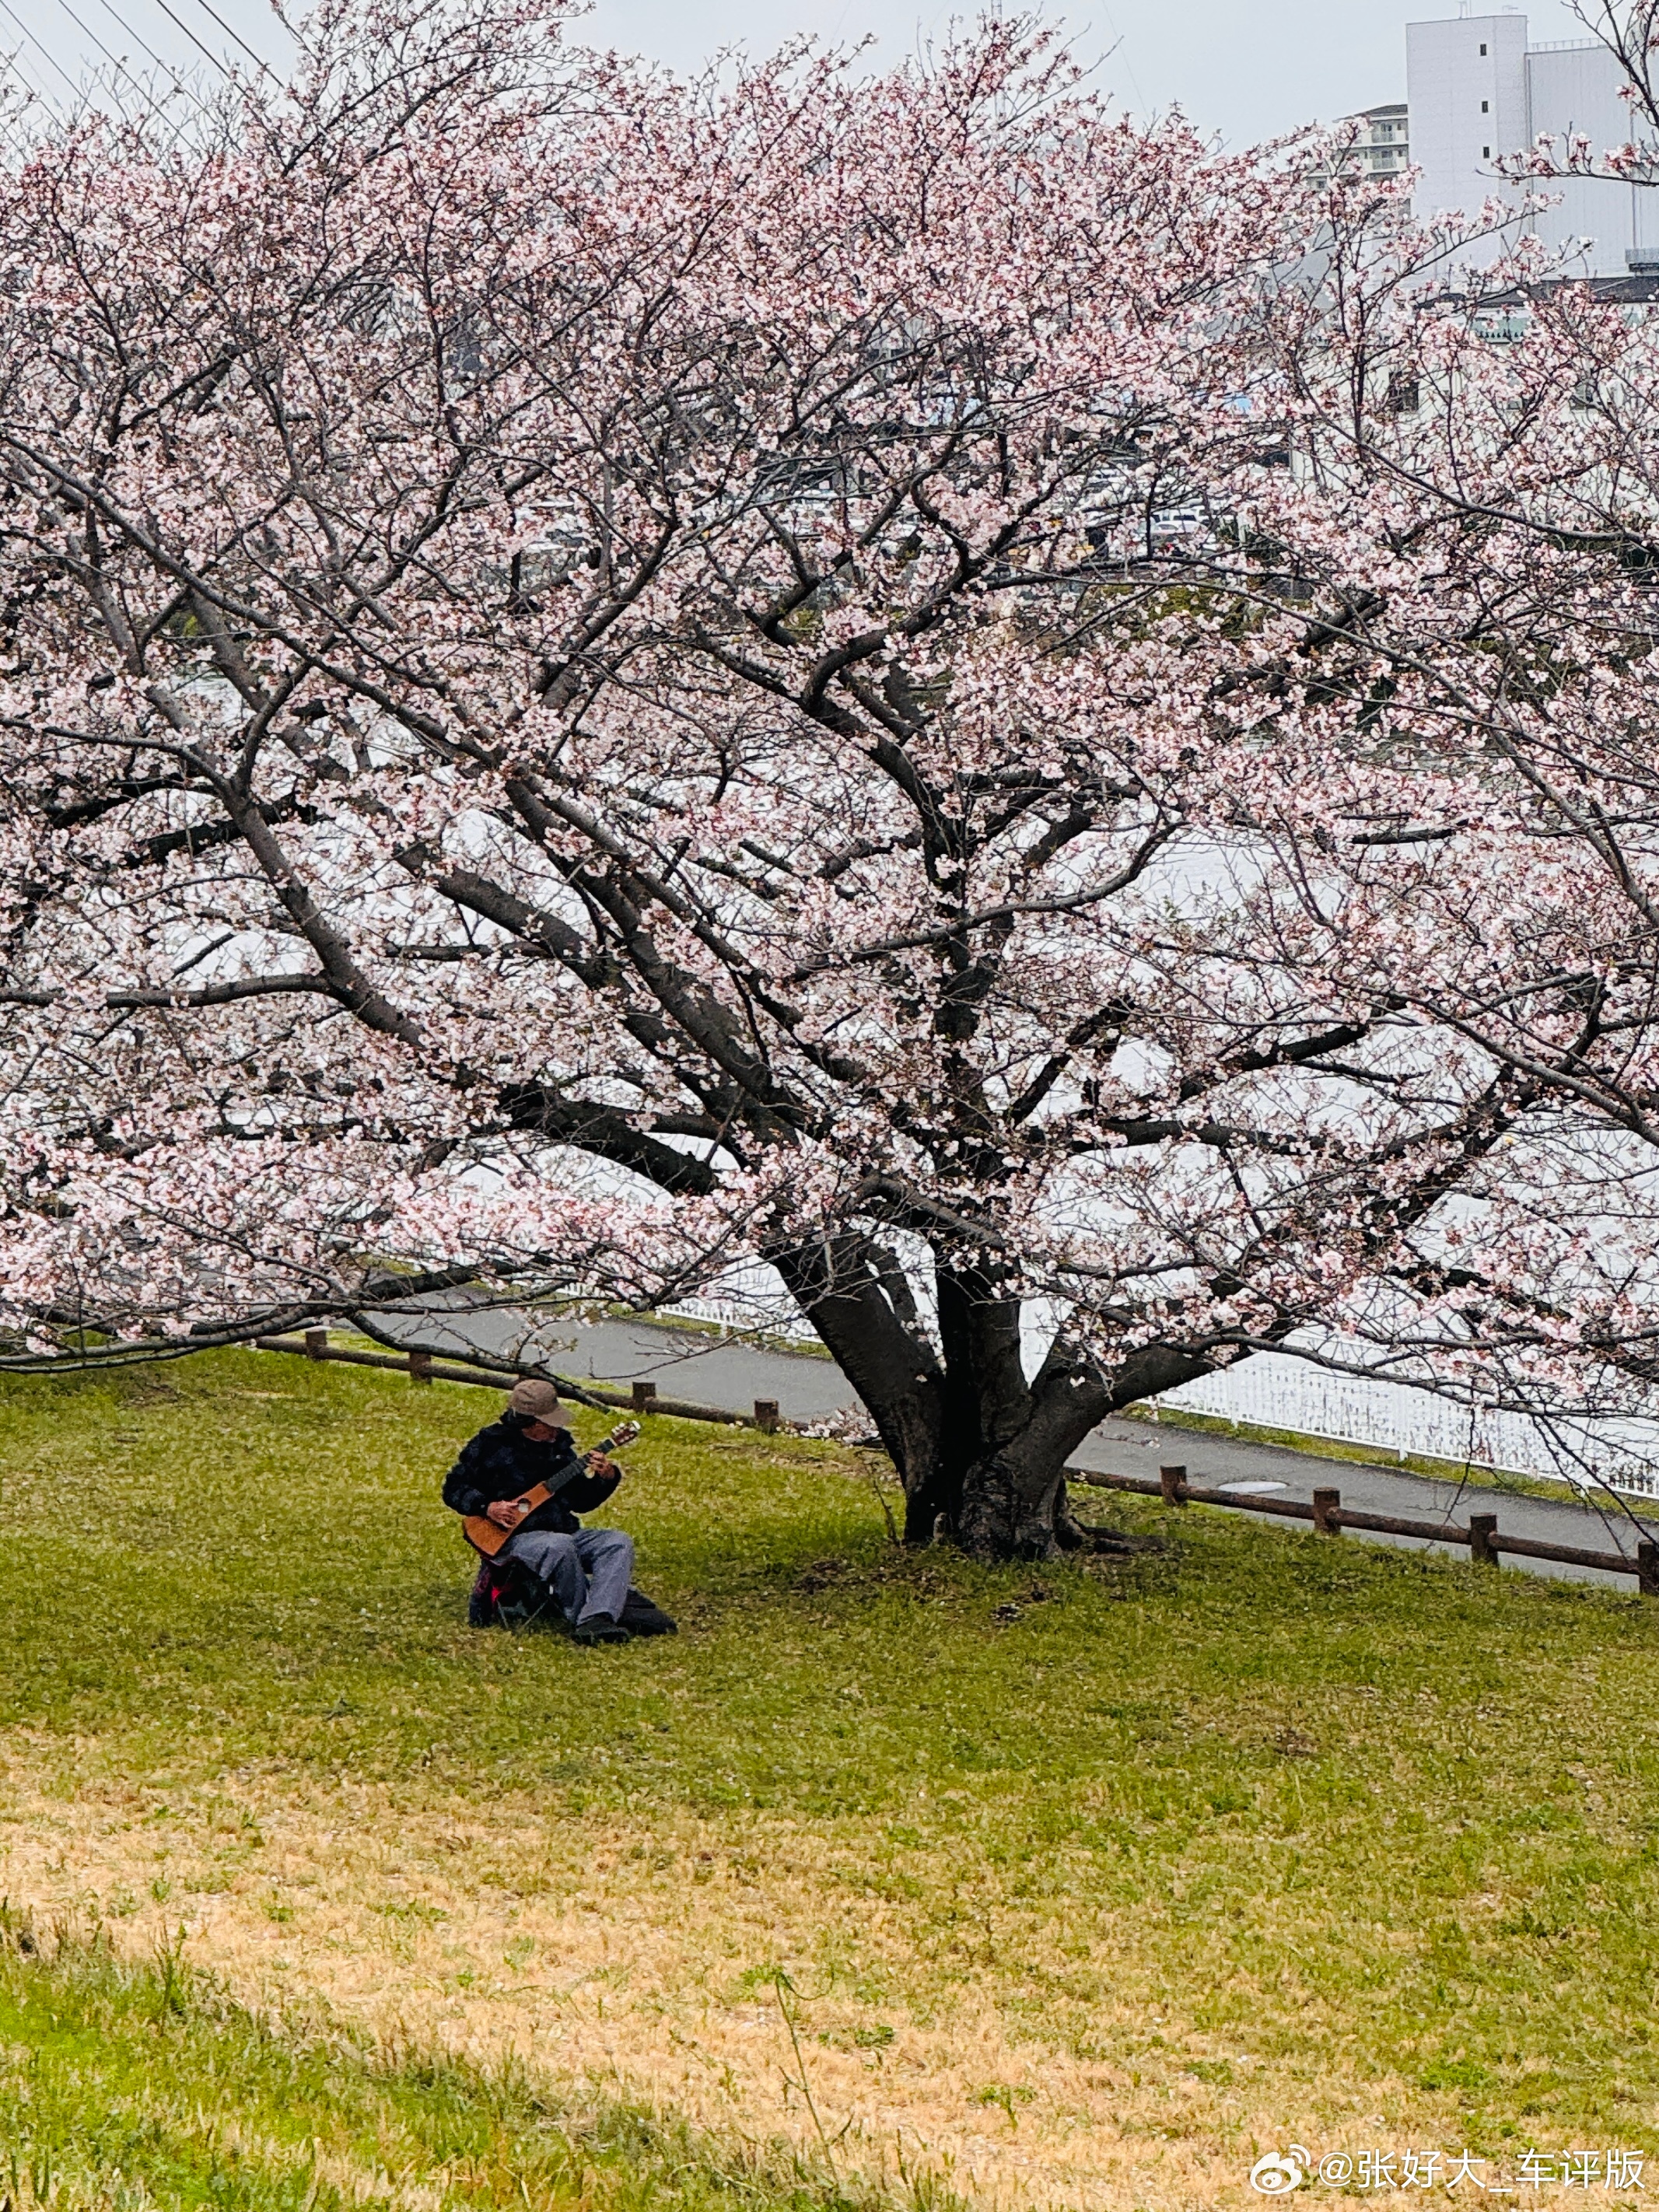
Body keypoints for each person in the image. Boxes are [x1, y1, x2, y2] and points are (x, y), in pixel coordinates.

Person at [444, 1377, 635, 1643]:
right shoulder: (490, 1444)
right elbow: (454, 1488)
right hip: (513, 1540)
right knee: (560, 1545)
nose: (557, 1430)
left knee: (616, 1542)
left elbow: (581, 1502)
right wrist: (488, 1508)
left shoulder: (560, 1449)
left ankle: (599, 1617)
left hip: (562, 1533)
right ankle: (583, 1618)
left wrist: (606, 1478)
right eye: (551, 1425)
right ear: (531, 1424)